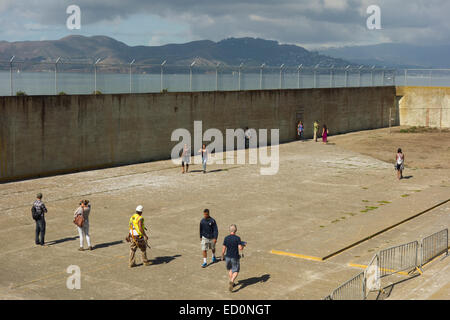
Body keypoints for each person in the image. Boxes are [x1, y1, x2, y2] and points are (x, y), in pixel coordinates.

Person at [221, 224, 246, 292]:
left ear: (230, 230)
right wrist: (243, 245)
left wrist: (222, 255)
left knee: (230, 269)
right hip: (234, 257)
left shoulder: (226, 238)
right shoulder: (237, 238)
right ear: (236, 230)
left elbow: (223, 248)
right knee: (236, 270)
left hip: (227, 256)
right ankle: (232, 281)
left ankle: (232, 283)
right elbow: (240, 248)